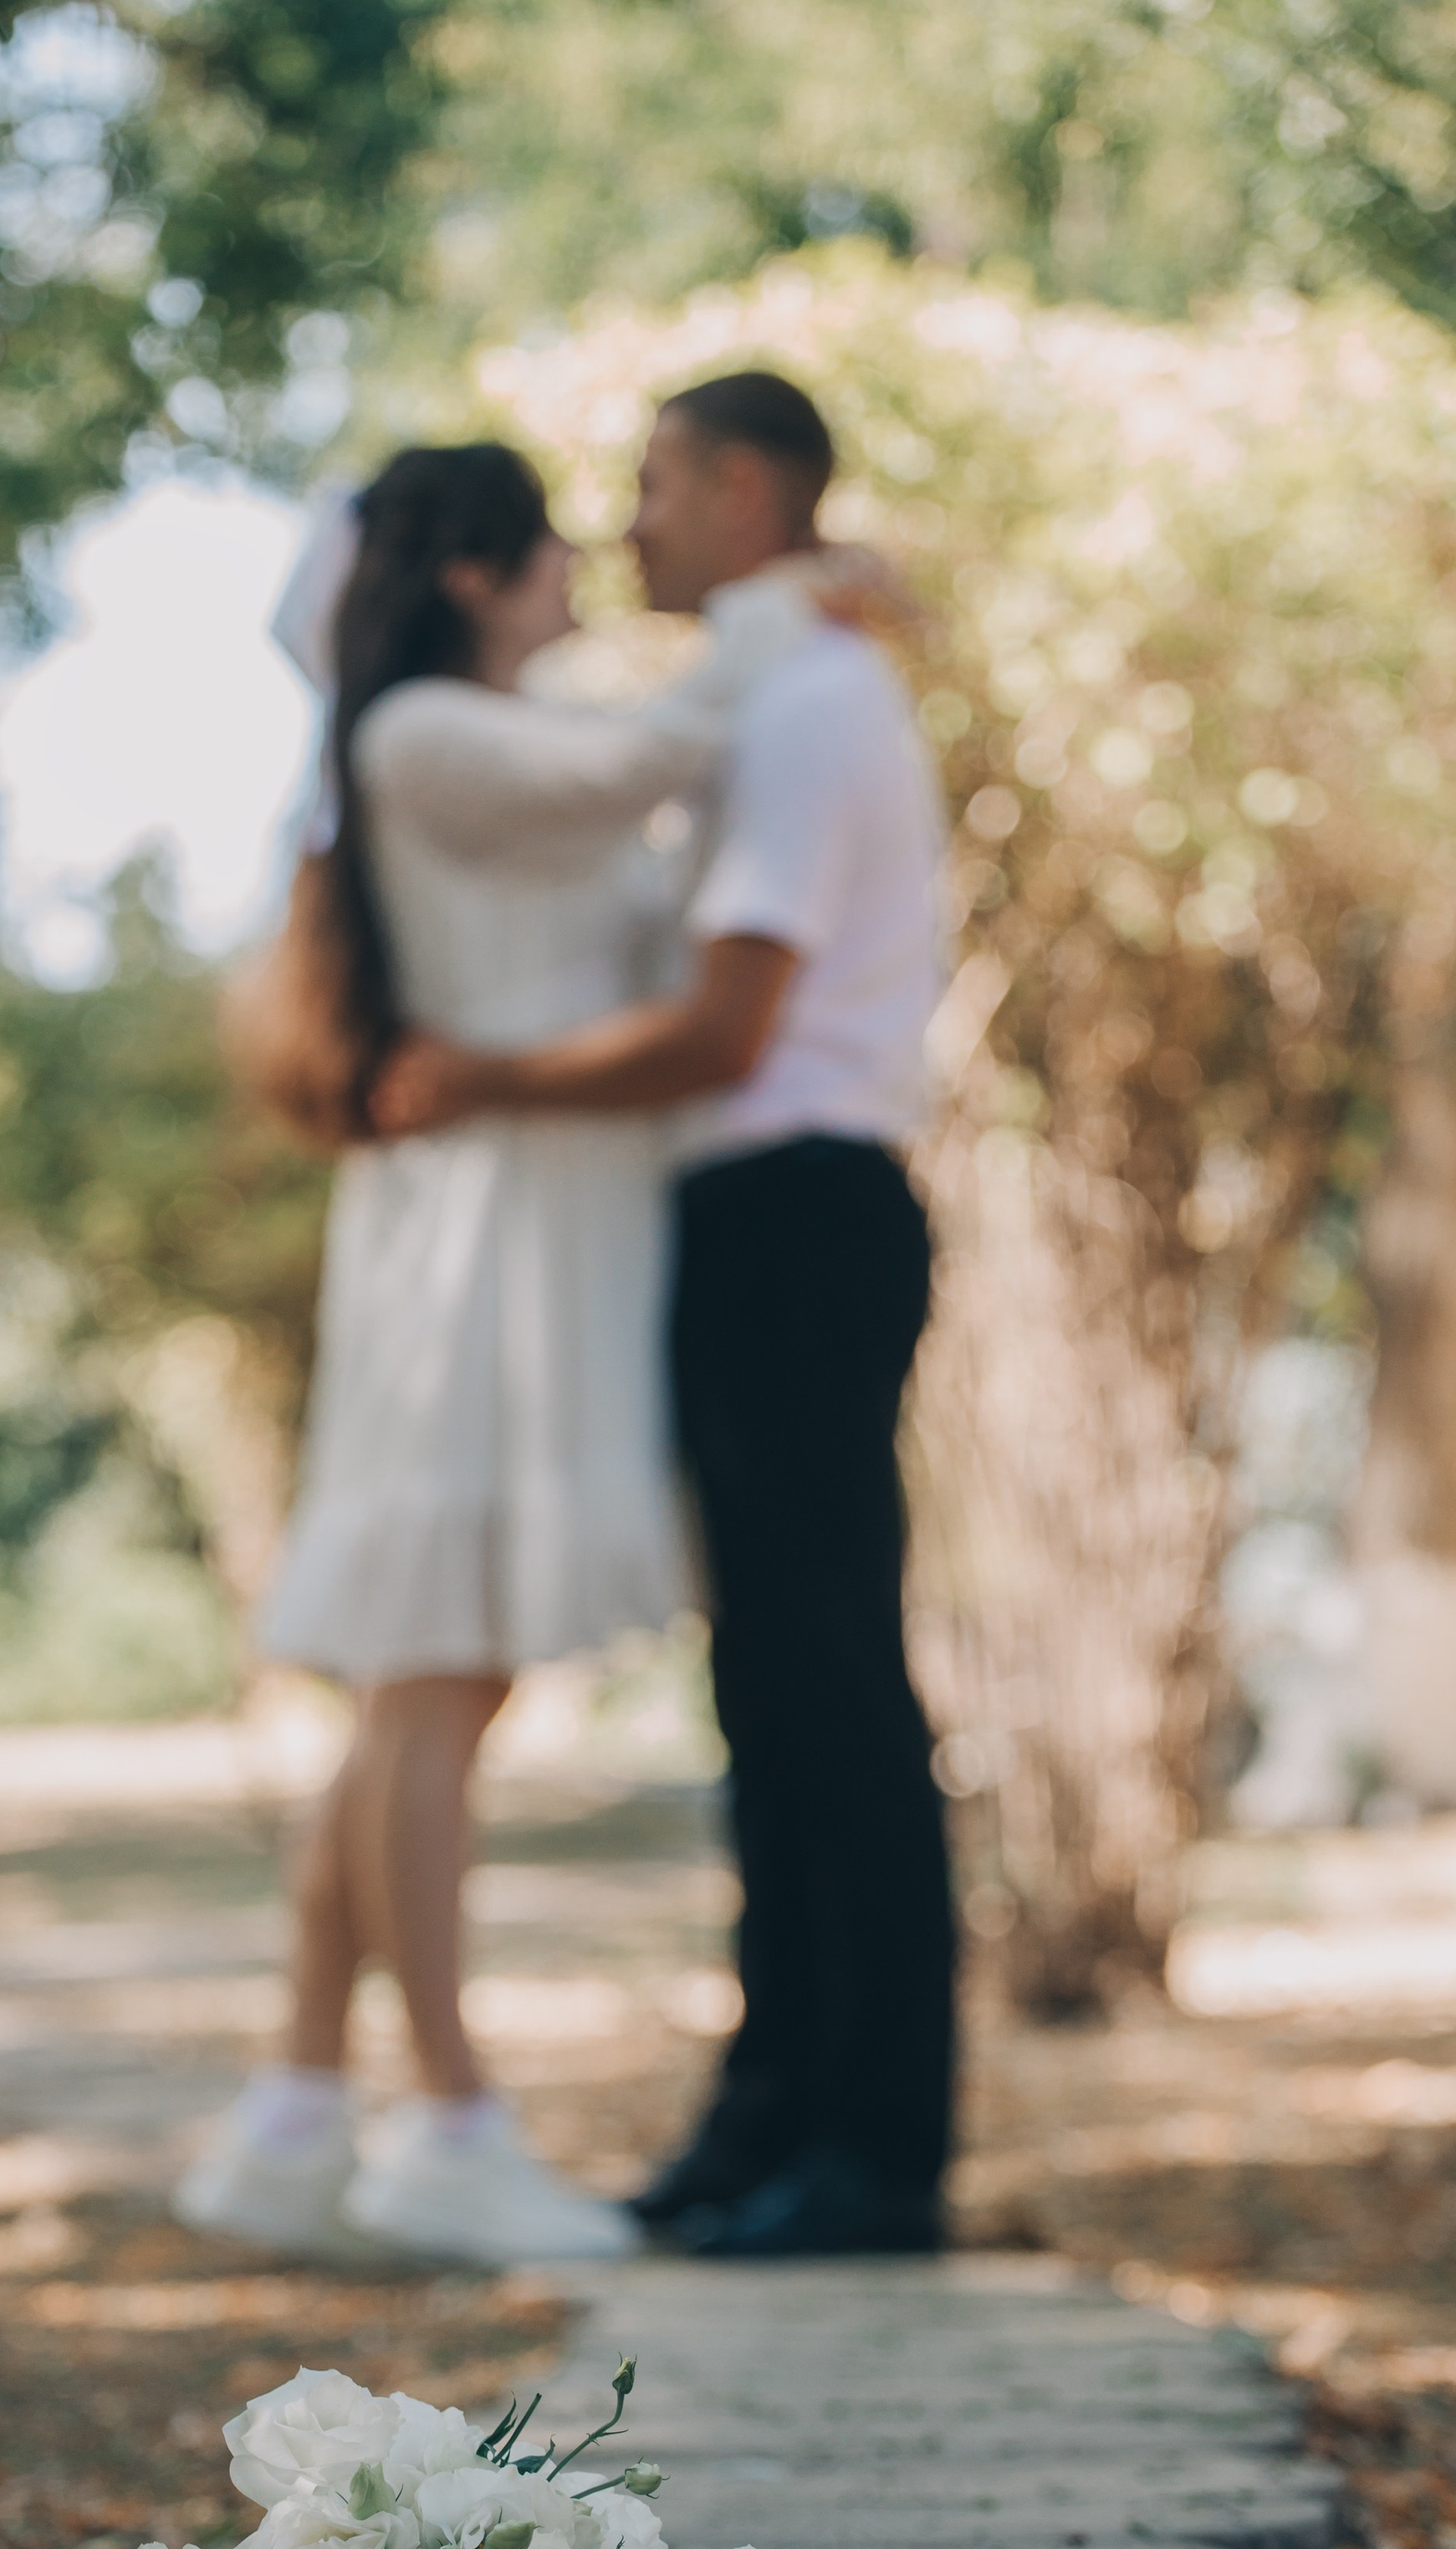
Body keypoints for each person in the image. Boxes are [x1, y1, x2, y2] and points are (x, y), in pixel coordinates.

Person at [174, 440, 879, 2265]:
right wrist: (784, 606)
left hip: (535, 1229)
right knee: (434, 1675)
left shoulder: (492, 739)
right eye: (547, 544)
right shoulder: (423, 734)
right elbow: (653, 758)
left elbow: (633, 797)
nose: (581, 567)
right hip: (479, 1249)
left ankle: (296, 2107)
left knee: (425, 1685)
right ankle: (450, 2118)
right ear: (473, 576)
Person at [375, 373, 956, 2258]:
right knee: (766, 1689)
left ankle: (877, 2148)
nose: (627, 522)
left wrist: (479, 1078)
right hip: (743, 1215)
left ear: (745, 490)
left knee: (831, 1682)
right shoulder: (753, 694)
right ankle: (770, 2112)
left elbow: (724, 1027)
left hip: (800, 1206)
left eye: (652, 483)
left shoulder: (807, 702)